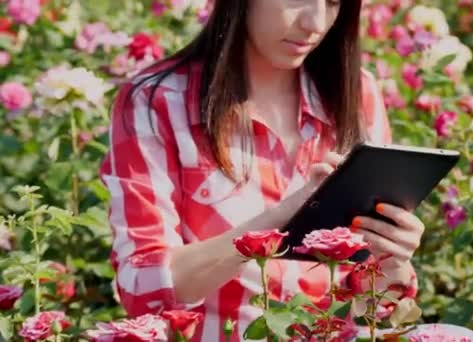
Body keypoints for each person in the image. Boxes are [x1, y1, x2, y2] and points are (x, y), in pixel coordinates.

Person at [99, 0, 426, 340]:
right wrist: (283, 219)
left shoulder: (355, 94)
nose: (315, 22)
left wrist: (391, 260)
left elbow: (368, 305)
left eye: (332, 3)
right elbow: (144, 289)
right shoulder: (159, 101)